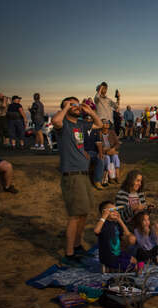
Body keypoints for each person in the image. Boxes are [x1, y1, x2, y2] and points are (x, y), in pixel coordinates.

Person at [52, 97, 103, 267]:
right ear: (65, 107)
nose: (76, 107)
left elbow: (99, 125)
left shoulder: (80, 124)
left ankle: (77, 245)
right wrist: (66, 107)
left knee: (84, 212)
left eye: (76, 104)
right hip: (72, 175)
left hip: (83, 174)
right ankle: (69, 253)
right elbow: (55, 120)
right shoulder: (63, 125)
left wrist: (90, 111)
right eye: (71, 104)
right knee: (75, 215)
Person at [94, 200, 137, 272]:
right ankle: (109, 269)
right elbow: (96, 231)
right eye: (112, 210)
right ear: (105, 212)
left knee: (134, 260)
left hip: (117, 254)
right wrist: (104, 217)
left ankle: (112, 268)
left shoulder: (115, 224)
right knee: (134, 267)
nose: (115, 212)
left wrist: (120, 220)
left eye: (116, 210)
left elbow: (128, 234)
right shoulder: (104, 224)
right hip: (109, 257)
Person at [83, 115, 104, 190]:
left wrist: (100, 153)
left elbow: (99, 143)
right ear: (84, 120)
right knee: (86, 160)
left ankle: (97, 181)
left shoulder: (96, 130)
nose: (89, 120)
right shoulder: (81, 129)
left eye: (90, 119)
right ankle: (85, 182)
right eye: (87, 119)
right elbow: (78, 143)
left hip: (94, 152)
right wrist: (84, 152)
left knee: (101, 160)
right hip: (83, 152)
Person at [100, 119, 121, 184]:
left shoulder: (112, 132)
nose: (107, 124)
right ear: (101, 124)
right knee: (107, 158)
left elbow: (117, 143)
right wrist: (106, 151)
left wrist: (113, 149)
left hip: (111, 151)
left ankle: (117, 176)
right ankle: (110, 177)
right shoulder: (98, 133)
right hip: (103, 152)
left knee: (115, 157)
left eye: (108, 123)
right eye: (105, 123)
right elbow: (98, 145)